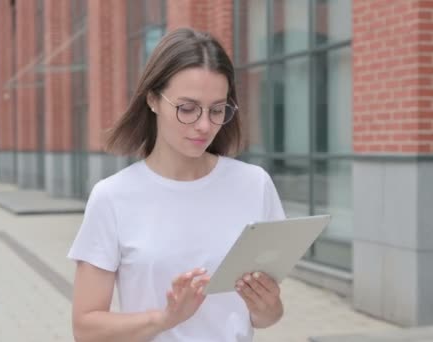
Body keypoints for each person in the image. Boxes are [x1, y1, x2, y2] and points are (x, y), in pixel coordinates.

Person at [67, 28, 287, 342]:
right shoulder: (112, 197)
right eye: (187, 108)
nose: (203, 125)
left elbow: (266, 317)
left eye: (217, 110)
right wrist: (165, 319)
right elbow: (86, 329)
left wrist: (268, 305)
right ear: (153, 99)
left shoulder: (254, 185)